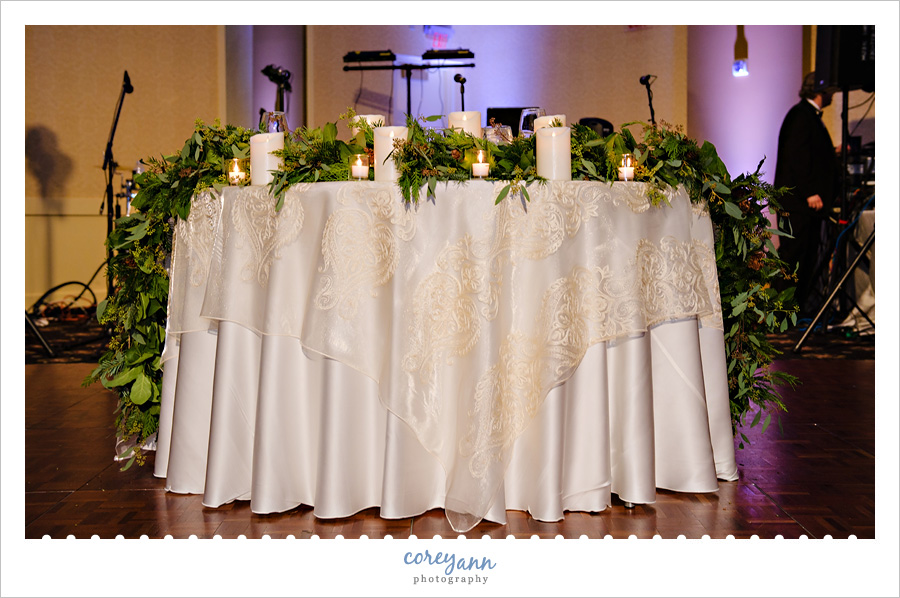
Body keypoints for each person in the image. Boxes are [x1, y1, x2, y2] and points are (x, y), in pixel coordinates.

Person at [773, 72, 840, 315]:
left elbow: (810, 154)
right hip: (798, 203)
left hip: (805, 205)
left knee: (806, 257)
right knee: (793, 257)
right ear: (822, 91)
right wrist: (811, 192)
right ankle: (783, 313)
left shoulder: (808, 116)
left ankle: (796, 311)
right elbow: (798, 157)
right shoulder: (800, 116)